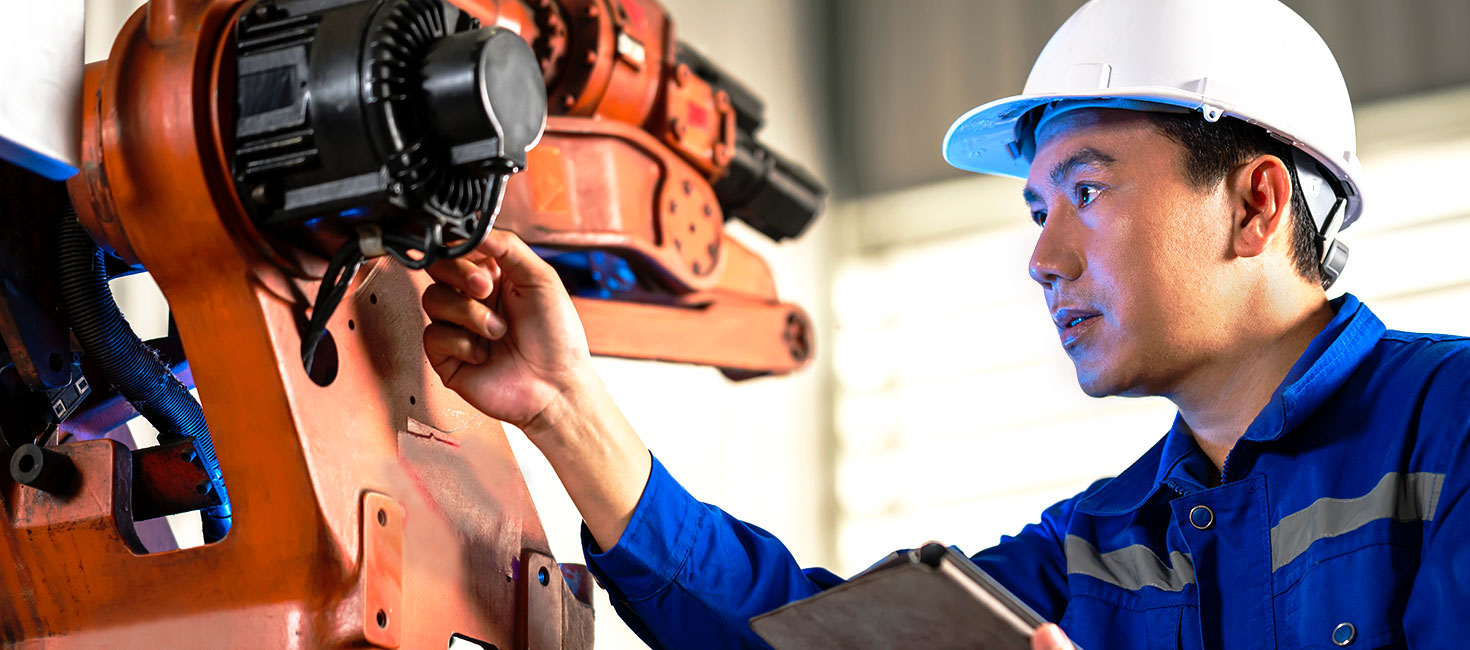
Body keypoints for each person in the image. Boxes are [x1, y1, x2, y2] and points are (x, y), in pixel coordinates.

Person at [419, 0, 1470, 647]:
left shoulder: (1452, 429)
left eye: (1089, 193)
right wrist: (565, 407)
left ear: (1256, 203)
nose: (1043, 255)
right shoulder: (1099, 544)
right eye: (1036, 207)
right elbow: (802, 643)